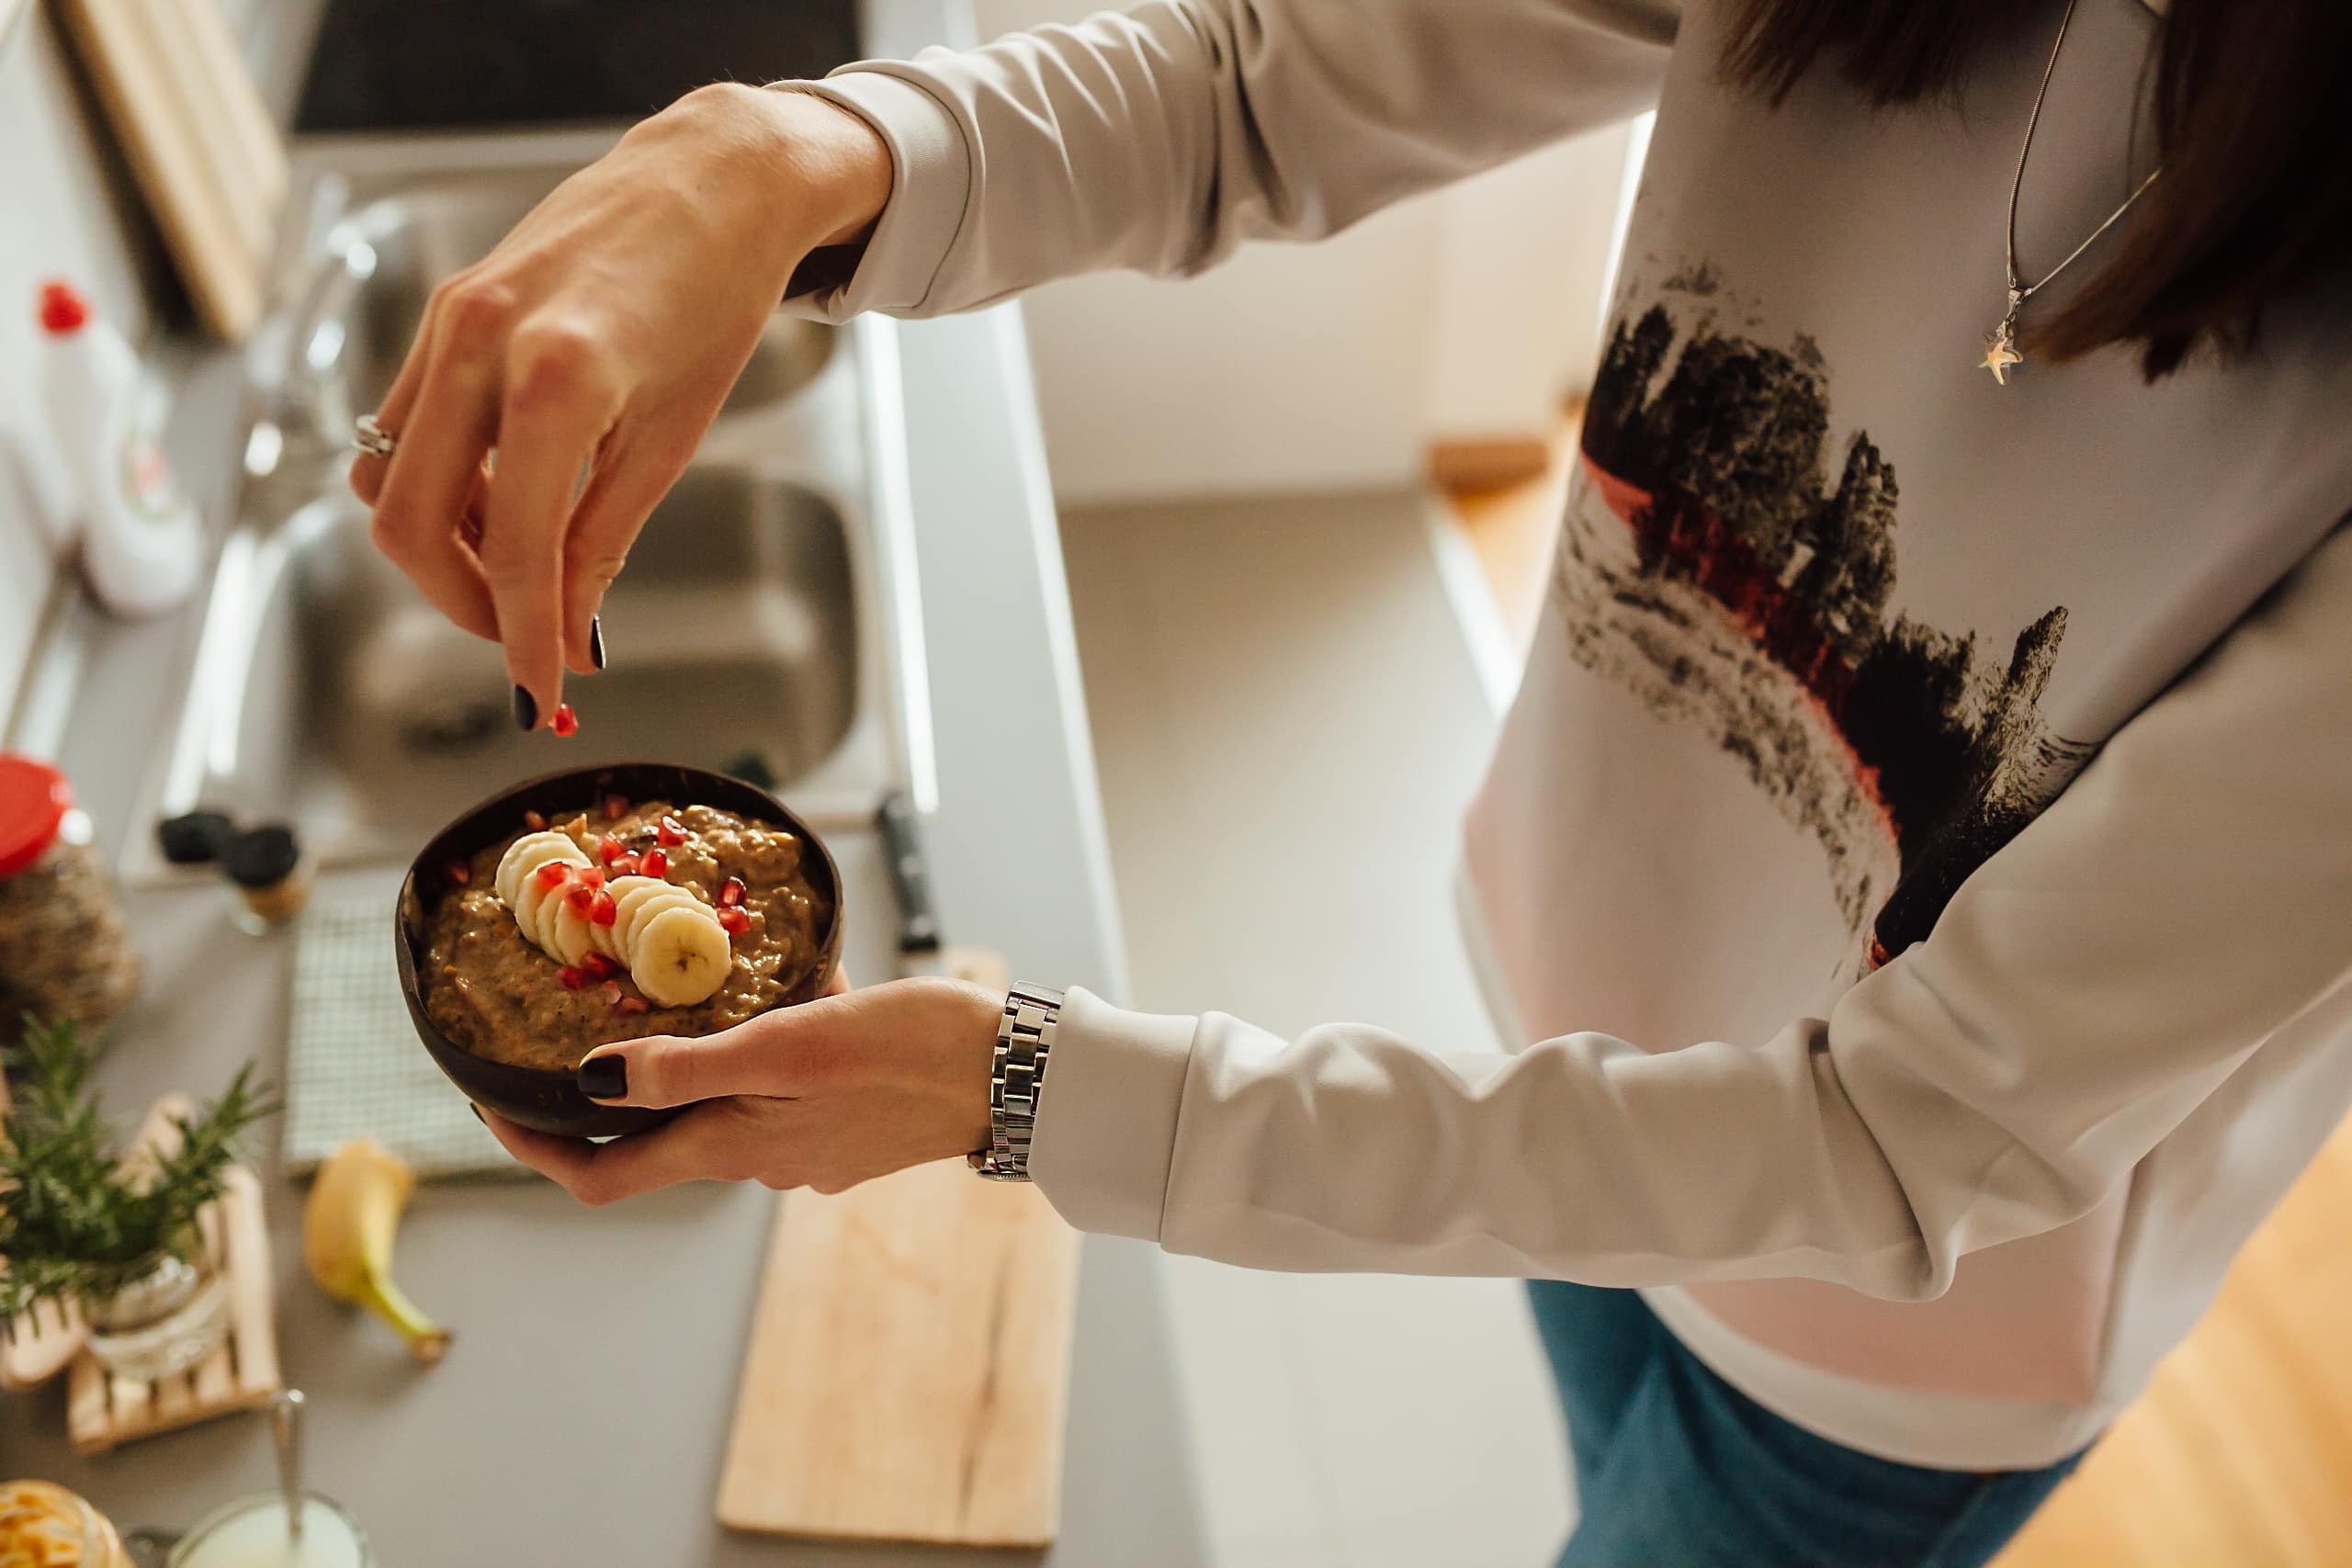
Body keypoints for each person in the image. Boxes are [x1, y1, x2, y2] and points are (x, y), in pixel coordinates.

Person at [348, 2, 2352, 1562]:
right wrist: (789, 151)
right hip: (1573, 998)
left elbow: (1893, 1139)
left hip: (1902, 1331)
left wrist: (1031, 1084)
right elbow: (1257, 88)